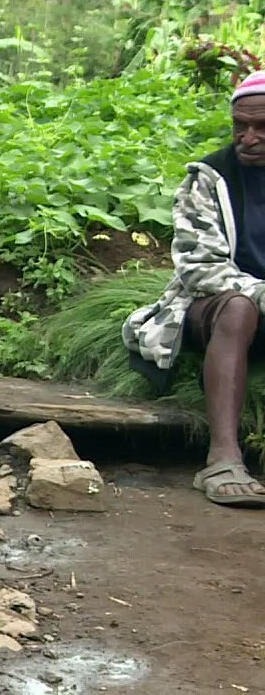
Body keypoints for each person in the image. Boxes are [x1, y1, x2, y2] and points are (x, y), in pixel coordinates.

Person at [124, 71, 265, 507]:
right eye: (240, 126)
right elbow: (200, 268)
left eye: (262, 127)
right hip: (218, 309)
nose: (249, 138)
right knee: (239, 308)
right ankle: (222, 459)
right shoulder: (208, 179)